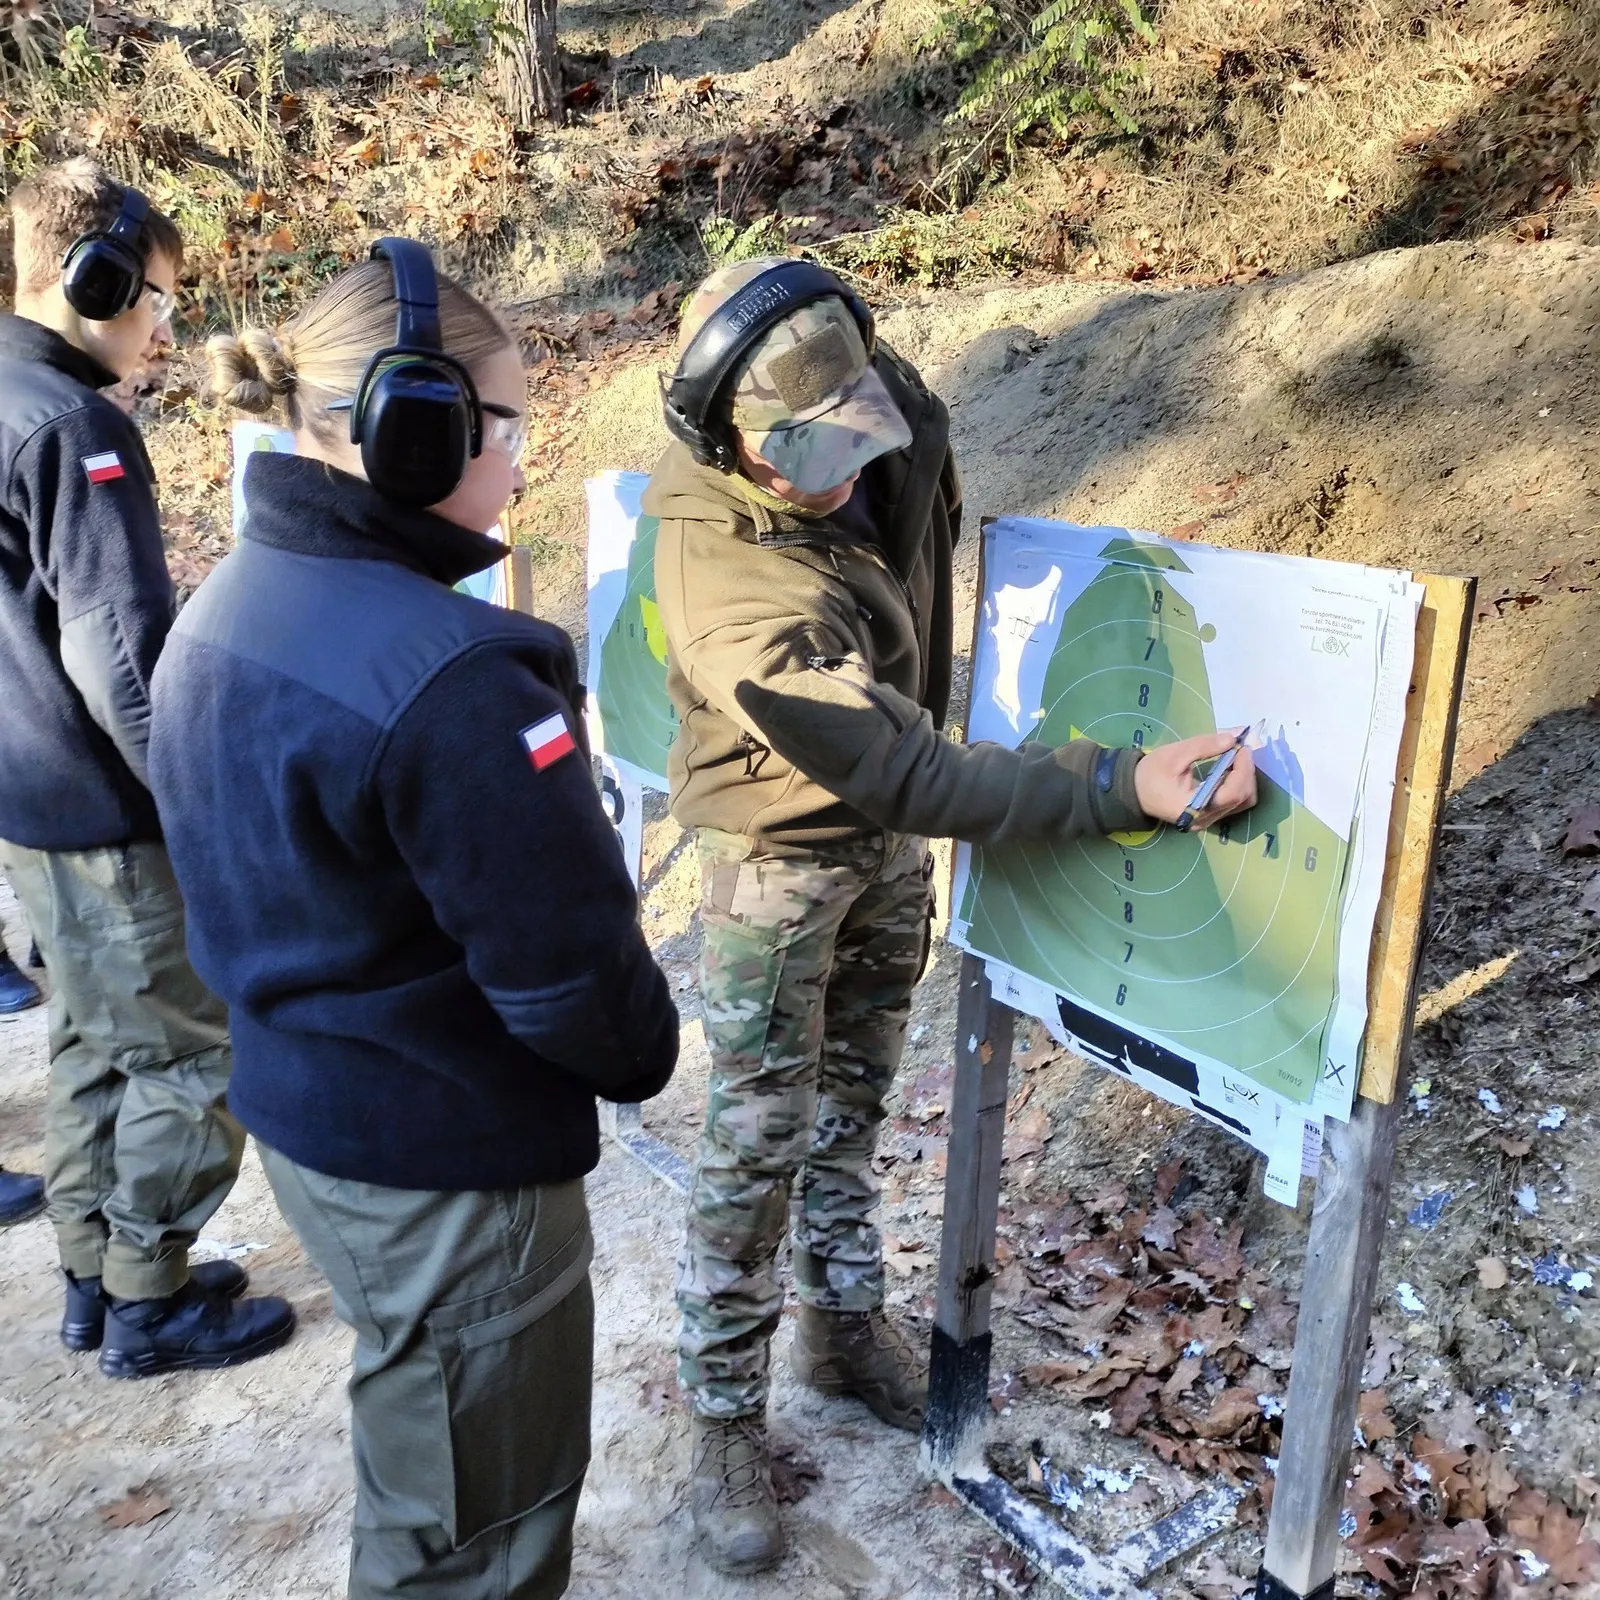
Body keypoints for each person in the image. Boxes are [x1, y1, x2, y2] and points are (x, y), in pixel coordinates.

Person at [645, 256, 1259, 1573]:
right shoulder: (722, 569)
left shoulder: (894, 412)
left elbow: (916, 636)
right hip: (777, 850)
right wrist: (1117, 784)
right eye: (801, 454)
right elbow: (902, 766)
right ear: (725, 438)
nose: (837, 472)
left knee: (852, 1108)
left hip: (884, 833)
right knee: (756, 1144)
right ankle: (723, 1420)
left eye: (852, 429)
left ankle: (841, 1331)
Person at [149, 239, 680, 1600]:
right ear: (417, 428)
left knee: (421, 1446)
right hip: (447, 1168)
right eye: (507, 426)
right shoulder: (458, 677)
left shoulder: (227, 600)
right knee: (471, 1532)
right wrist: (643, 1052)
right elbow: (575, 977)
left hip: (312, 1116)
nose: (521, 464)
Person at [0, 158, 293, 1371]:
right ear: (95, 279)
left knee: (91, 1039)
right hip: (109, 807)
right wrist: (198, 800)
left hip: (31, 802)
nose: (166, 324)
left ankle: (90, 1273)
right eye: (158, 296)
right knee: (191, 1051)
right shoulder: (76, 427)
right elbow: (119, 655)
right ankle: (148, 1297)